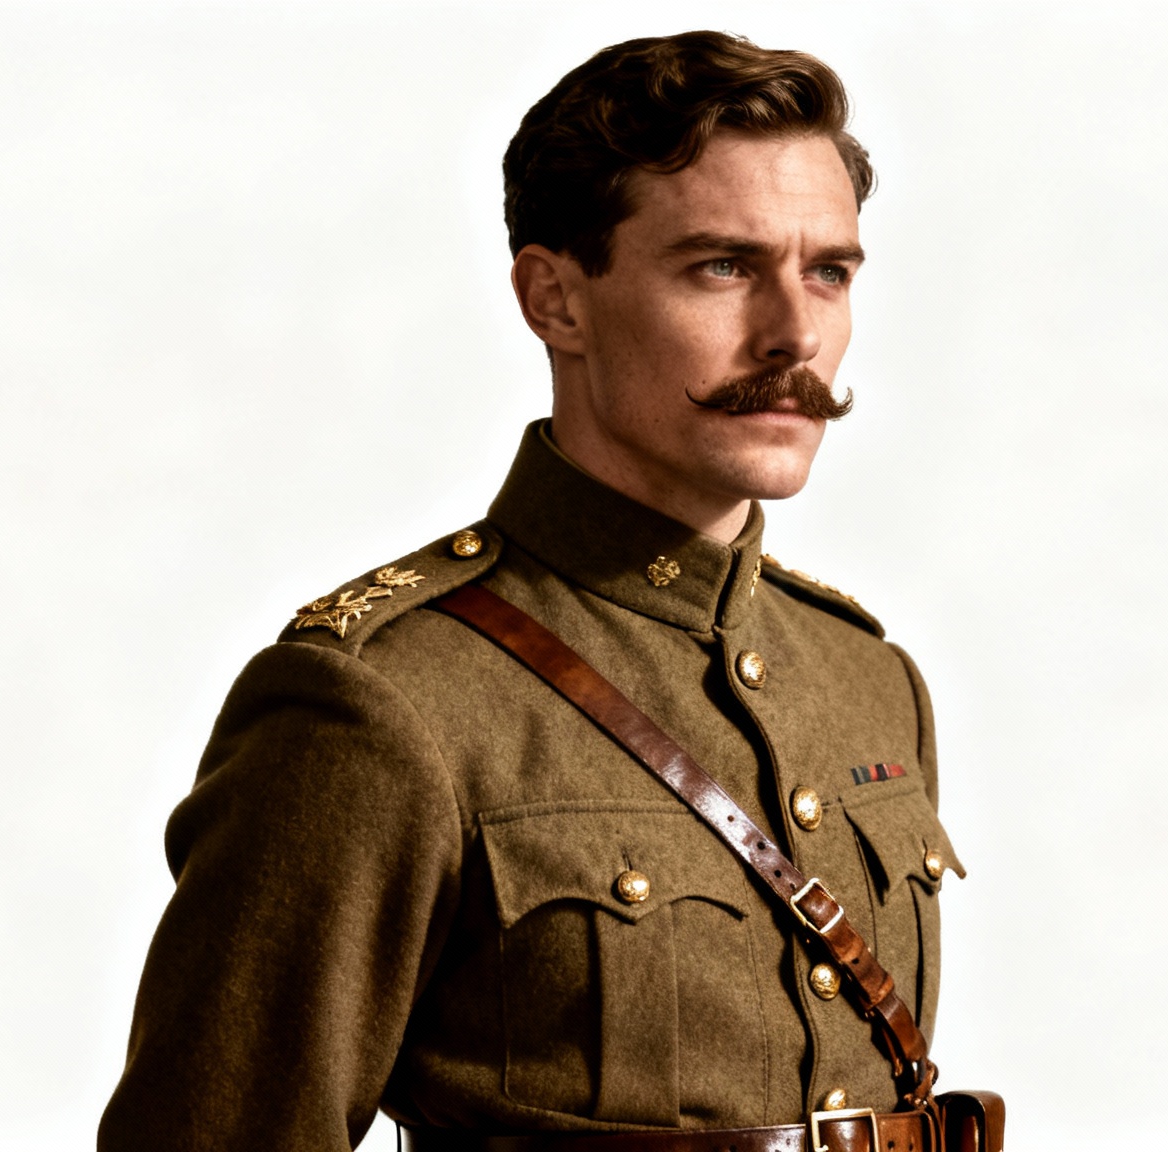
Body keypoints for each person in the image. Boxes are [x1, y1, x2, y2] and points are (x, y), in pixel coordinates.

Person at [100, 30, 965, 1152]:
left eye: (828, 273)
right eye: (721, 266)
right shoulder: (381, 702)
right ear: (555, 299)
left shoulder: (865, 677)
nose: (794, 333)